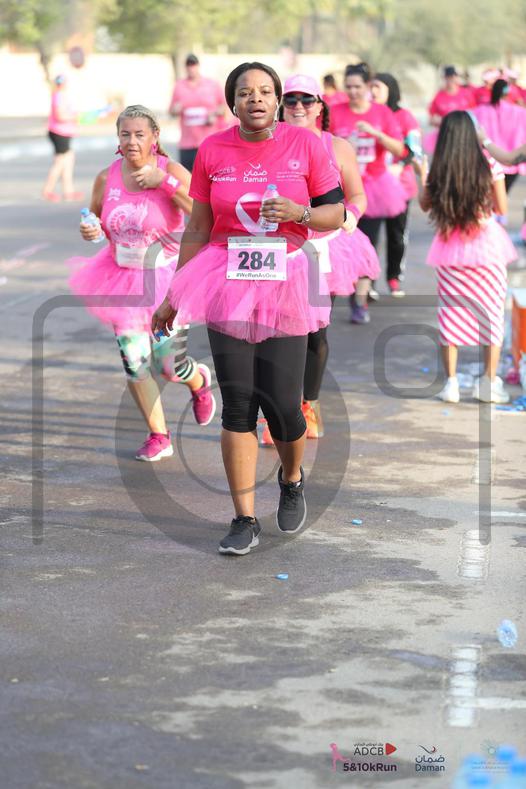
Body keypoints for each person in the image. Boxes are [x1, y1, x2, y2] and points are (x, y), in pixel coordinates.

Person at [152, 62, 345, 555]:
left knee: (283, 406)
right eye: (245, 92)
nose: (255, 99)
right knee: (239, 403)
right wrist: (174, 294)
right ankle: (244, 518)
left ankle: (292, 478)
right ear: (232, 102)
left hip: (286, 281)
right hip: (227, 278)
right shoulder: (213, 149)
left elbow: (337, 212)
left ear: (277, 100)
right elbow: (198, 226)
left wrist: (300, 213)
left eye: (264, 91)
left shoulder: (306, 145)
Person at [68, 105, 216, 461]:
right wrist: (91, 230)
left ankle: (198, 380)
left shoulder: (171, 170)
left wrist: (163, 182)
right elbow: (98, 221)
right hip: (121, 280)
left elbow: (202, 212)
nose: (132, 141)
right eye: (125, 134)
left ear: (154, 137)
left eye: (139, 134)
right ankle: (159, 435)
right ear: (117, 138)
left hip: (165, 279)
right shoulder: (106, 178)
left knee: (170, 367)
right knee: (135, 363)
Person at [275, 73, 378, 441]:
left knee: (315, 333)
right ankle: (278, 409)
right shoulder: (268, 142)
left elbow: (358, 195)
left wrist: (351, 215)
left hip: (324, 248)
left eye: (307, 99)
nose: (298, 106)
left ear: (319, 106)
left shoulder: (337, 147)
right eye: (291, 99)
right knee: (277, 330)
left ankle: (309, 405)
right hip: (278, 250)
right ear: (281, 106)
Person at [413, 111, 516, 404]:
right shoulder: (489, 164)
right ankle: (489, 383)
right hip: (488, 248)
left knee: (451, 313)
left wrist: (421, 175)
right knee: (492, 314)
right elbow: (502, 208)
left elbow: (425, 205)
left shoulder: (439, 168)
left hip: (451, 249)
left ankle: (451, 385)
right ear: (473, 134)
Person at [329, 62, 406, 319]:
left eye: (358, 87)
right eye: (348, 87)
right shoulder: (335, 112)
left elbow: (399, 149)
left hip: (374, 188)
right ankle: (337, 291)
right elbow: (319, 145)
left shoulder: (382, 113)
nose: (353, 92)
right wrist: (342, 145)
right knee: (338, 242)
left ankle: (359, 301)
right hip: (340, 187)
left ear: (368, 86)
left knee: (367, 242)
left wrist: (376, 134)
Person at [370, 72, 421, 297]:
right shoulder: (368, 115)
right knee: (369, 237)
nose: (372, 91)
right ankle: (368, 282)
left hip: (400, 187)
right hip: (371, 187)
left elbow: (414, 149)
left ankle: (393, 277)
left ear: (390, 90)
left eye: (378, 87)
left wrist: (399, 166)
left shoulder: (405, 117)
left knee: (396, 236)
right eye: (371, 87)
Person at [168, 54, 226, 172]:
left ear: (198, 66)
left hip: (209, 141)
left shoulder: (212, 84)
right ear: (185, 67)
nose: (191, 68)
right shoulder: (179, 86)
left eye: (193, 64)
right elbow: (171, 111)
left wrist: (213, 114)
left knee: (211, 176)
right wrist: (176, 109)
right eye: (189, 65)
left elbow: (224, 107)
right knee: (188, 178)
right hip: (187, 143)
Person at [473, 79, 526, 193]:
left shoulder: (479, 111)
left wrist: (485, 141)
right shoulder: (521, 113)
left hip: (487, 163)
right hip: (510, 167)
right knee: (502, 196)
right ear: (507, 93)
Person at [43, 74, 83, 202]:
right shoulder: (58, 96)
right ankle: (47, 191)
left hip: (65, 133)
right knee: (60, 162)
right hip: (59, 133)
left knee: (69, 160)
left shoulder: (62, 95)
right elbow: (60, 116)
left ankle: (68, 191)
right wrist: (76, 117)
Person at [424, 66, 475, 154]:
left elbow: (475, 113)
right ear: (444, 78)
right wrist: (438, 121)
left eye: (452, 77)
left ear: (456, 77)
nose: (450, 80)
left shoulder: (466, 93)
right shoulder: (439, 96)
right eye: (448, 78)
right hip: (446, 137)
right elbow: (431, 119)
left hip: (465, 135)